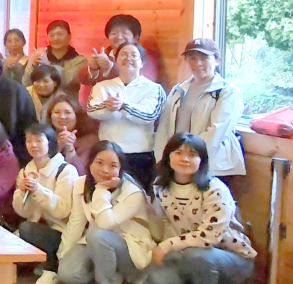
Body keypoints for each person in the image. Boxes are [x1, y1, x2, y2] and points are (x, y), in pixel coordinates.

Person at [139, 134, 256, 284]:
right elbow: (164, 224)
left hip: (232, 257)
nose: (185, 159)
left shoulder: (214, 189)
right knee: (158, 278)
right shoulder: (161, 186)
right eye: (178, 153)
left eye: (192, 155)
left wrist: (167, 245)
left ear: (202, 160)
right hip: (186, 253)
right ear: (168, 156)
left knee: (198, 255)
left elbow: (210, 237)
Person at [57, 141, 153, 284]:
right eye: (99, 163)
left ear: (121, 169)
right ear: (90, 162)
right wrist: (63, 255)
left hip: (130, 246)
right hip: (96, 241)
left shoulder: (132, 192)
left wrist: (101, 190)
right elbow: (76, 222)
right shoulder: (81, 184)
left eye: (113, 166)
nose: (105, 170)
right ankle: (114, 275)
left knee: (98, 234)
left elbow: (105, 223)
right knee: (67, 274)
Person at [154, 38, 245, 177]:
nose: (198, 63)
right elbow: (164, 127)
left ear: (217, 61)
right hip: (178, 166)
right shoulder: (178, 90)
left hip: (212, 167)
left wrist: (192, 159)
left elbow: (217, 131)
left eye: (204, 58)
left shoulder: (228, 92)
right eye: (192, 58)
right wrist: (164, 158)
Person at [87, 43, 165, 189]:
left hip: (140, 155)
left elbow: (150, 114)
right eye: (123, 55)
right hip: (107, 155)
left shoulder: (154, 88)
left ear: (142, 62)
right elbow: (91, 109)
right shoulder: (102, 86)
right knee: (105, 194)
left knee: (139, 196)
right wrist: (108, 106)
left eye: (134, 55)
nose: (128, 58)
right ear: (116, 61)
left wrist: (124, 106)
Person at [13, 123, 78, 284]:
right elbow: (22, 212)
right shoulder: (25, 171)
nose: (33, 145)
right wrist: (21, 193)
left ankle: (51, 267)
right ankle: (39, 263)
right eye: (29, 141)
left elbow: (63, 210)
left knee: (27, 228)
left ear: (50, 143)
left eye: (39, 140)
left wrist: (38, 190)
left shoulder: (65, 170)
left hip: (59, 230)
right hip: (35, 227)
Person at [79, 14, 161, 87]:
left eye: (125, 33)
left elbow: (139, 82)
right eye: (114, 33)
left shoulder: (142, 57)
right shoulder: (104, 54)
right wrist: (92, 68)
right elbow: (82, 78)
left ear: (135, 37)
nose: (119, 37)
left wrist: (110, 67)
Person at [22, 20, 88, 98]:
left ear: (69, 36)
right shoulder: (40, 55)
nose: (56, 38)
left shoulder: (80, 60)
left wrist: (48, 65)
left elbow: (69, 80)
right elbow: (26, 83)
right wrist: (33, 65)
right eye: (51, 35)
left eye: (60, 34)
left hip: (65, 103)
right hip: (39, 102)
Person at [45, 94, 98, 175]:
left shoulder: (90, 141)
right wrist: (58, 147)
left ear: (77, 115)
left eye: (68, 112)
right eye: (57, 112)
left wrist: (70, 149)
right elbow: (42, 169)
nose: (62, 117)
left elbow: (82, 173)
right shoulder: (44, 138)